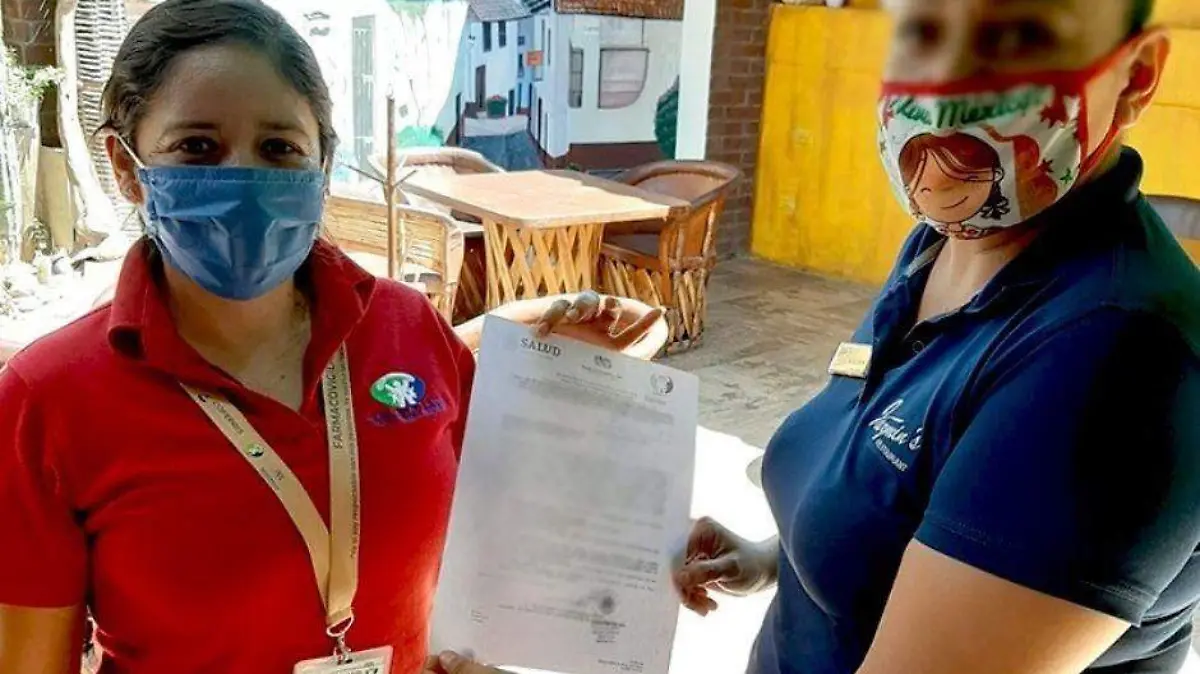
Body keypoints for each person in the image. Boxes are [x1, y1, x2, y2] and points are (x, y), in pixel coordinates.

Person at [428, 0, 1200, 673]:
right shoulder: (944, 246)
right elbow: (906, 493)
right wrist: (780, 557)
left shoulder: (1121, 357)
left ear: (1135, 76)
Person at [0, 1, 657, 673]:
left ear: (323, 166)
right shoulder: (44, 403)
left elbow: (500, 522)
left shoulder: (407, 326)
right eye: (197, 147)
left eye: (279, 147)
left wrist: (650, 546)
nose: (245, 178)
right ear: (126, 165)